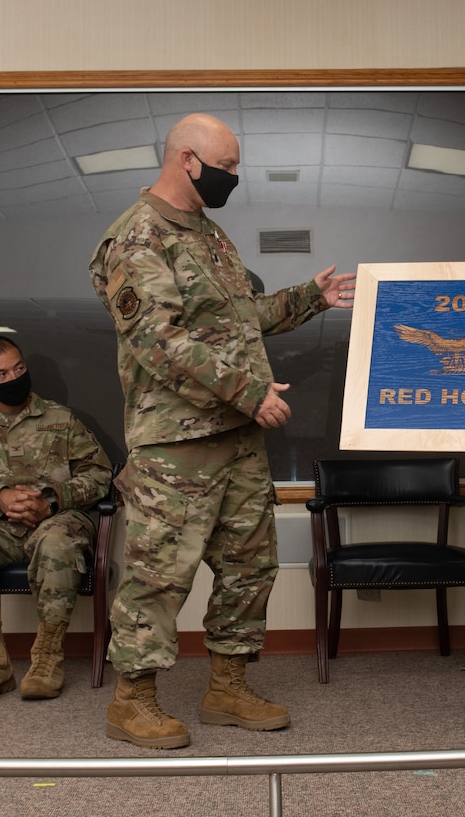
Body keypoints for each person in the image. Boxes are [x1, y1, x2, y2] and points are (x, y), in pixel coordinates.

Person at [89, 113, 355, 750]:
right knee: (159, 573)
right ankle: (133, 702)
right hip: (177, 444)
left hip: (234, 439)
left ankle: (227, 687)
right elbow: (160, 339)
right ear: (186, 160)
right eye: (227, 168)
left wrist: (308, 297)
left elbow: (238, 320)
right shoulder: (138, 237)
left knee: (249, 564)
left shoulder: (207, 234)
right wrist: (250, 391)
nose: (234, 179)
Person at [0, 336, 113, 703]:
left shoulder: (61, 420)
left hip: (58, 522)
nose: (14, 377)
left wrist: (53, 499)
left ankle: (47, 659)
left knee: (57, 540)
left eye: (19, 368)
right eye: (2, 373)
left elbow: (100, 475)